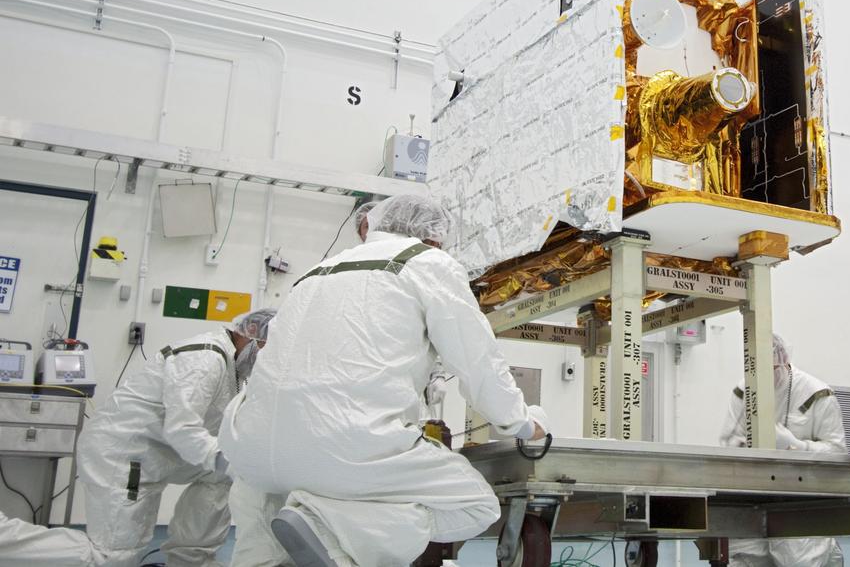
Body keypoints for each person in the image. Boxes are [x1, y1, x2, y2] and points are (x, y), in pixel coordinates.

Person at [219, 194, 548, 567]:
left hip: (251, 449)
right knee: (474, 505)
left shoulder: (318, 271)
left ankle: (290, 539)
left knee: (266, 548)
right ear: (435, 237)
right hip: (345, 445)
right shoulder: (428, 263)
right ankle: (324, 526)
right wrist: (522, 423)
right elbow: (478, 362)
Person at [8, 308, 274, 567]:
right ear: (251, 332)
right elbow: (182, 429)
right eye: (268, 346)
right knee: (111, 557)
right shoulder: (205, 358)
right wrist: (228, 459)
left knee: (221, 475)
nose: (270, 356)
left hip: (159, 454)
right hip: (124, 454)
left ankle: (190, 559)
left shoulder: (233, 365)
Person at [718, 334, 844, 567]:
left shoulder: (817, 394)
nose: (762, 377)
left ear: (784, 358)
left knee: (800, 561)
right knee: (742, 560)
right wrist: (741, 447)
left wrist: (795, 445)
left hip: (799, 503)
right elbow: (727, 441)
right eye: (755, 369)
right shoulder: (743, 390)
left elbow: (837, 453)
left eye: (771, 368)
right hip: (751, 500)